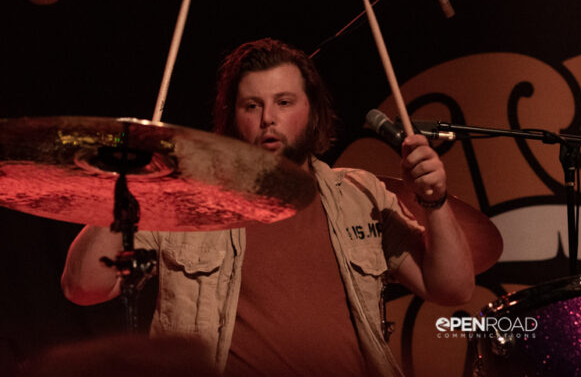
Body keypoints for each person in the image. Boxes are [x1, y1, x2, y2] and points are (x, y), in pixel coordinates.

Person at [61, 38, 474, 377]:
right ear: (233, 115)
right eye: (252, 105)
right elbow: (83, 286)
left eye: (284, 102)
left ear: (311, 110)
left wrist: (434, 202)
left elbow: (452, 288)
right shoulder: (187, 197)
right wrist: (128, 185)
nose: (268, 120)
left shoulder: (358, 194)